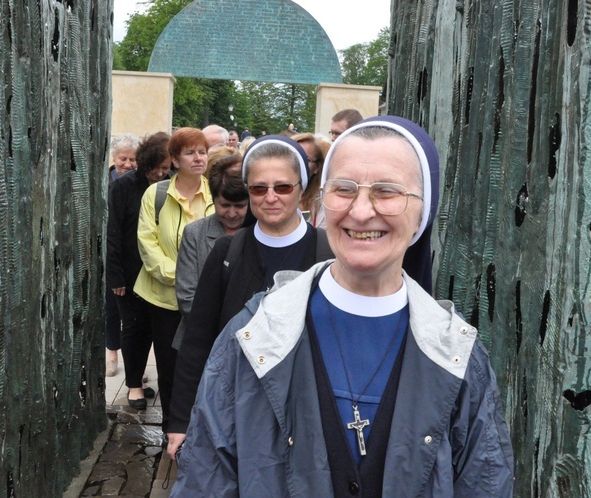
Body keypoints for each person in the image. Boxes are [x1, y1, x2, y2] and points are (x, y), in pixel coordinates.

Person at [170, 116, 514, 496]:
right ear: (322, 199)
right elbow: (204, 481)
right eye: (344, 189)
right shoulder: (252, 336)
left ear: (424, 211)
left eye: (387, 191)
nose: (362, 211)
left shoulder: (460, 355)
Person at [166, 135, 334, 459]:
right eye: (259, 188)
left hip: (306, 412)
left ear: (301, 188)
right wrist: (181, 420)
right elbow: (199, 339)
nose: (270, 197)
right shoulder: (228, 252)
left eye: (282, 187)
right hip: (234, 408)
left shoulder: (327, 252)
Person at [133, 127, 213, 436]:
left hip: (205, 299)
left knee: (203, 367)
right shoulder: (157, 194)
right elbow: (147, 244)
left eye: (202, 151)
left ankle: (201, 430)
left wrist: (201, 286)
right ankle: (172, 430)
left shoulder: (215, 195)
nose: (198, 157)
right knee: (170, 369)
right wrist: (181, 279)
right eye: (190, 152)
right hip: (164, 299)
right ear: (175, 159)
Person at [107, 132, 171, 409]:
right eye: (155, 167)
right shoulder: (123, 187)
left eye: (165, 167)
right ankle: (134, 384)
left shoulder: (172, 185)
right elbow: (113, 232)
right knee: (133, 329)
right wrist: (116, 274)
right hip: (130, 271)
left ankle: (150, 380)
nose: (159, 173)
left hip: (161, 272)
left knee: (158, 329)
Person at [171, 160, 249, 351]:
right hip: (201, 339)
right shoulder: (195, 233)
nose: (232, 214)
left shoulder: (259, 233)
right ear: (213, 200)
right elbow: (187, 296)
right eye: (224, 205)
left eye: (239, 206)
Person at [105, 133, 140, 376]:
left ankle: (133, 364)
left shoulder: (139, 183)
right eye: (123, 159)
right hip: (109, 250)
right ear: (114, 158)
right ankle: (111, 353)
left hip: (132, 254)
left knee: (132, 313)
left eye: (133, 159)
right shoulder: (104, 181)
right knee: (111, 306)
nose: (127, 164)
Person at [293, 132, 329, 227]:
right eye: (293, 157)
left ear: (317, 167)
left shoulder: (324, 205)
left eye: (306, 159)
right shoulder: (270, 195)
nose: (298, 163)